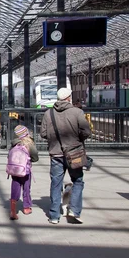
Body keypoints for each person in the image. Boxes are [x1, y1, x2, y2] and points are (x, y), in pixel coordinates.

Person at [40, 88, 91, 224]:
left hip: (55, 153)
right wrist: (77, 139)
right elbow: (86, 131)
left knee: (56, 184)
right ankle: (74, 210)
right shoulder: (77, 112)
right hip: (74, 153)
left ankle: (54, 216)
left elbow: (43, 133)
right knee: (78, 180)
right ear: (69, 97)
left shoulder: (48, 113)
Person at [8, 125, 39, 220]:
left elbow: (9, 156)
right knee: (26, 189)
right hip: (25, 171)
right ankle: (26, 208)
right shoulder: (29, 144)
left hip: (15, 171)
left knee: (15, 188)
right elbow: (35, 157)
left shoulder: (13, 144)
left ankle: (13, 211)